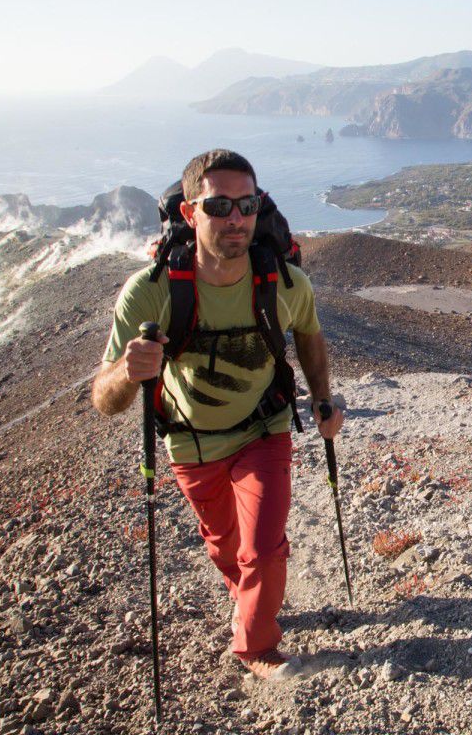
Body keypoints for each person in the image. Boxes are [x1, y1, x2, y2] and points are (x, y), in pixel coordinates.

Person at [92, 149, 343, 680]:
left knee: (264, 548)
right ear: (190, 213)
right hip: (192, 441)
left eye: (247, 205)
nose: (236, 218)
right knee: (225, 546)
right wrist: (127, 373)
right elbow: (104, 400)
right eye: (219, 205)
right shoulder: (152, 291)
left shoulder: (284, 282)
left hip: (263, 428)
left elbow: (309, 337)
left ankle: (256, 646)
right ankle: (248, 596)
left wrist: (323, 398)